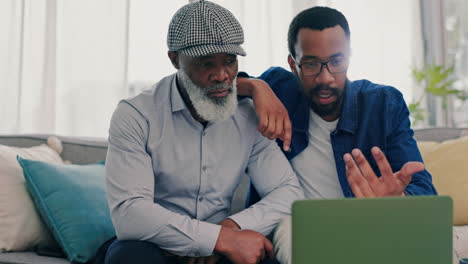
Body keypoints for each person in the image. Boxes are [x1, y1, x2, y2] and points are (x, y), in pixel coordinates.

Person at [102, 1, 303, 264]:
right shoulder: (136, 115)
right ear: (174, 59)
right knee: (127, 258)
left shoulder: (247, 116)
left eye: (230, 61)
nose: (221, 75)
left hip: (223, 251)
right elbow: (130, 214)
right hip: (157, 247)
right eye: (206, 63)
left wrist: (230, 230)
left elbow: (288, 192)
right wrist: (217, 239)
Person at [236, 6, 437, 263]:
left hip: (368, 228)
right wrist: (255, 86)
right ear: (292, 64)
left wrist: (397, 199)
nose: (325, 77)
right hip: (299, 226)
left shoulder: (384, 103)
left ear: (349, 57)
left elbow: (425, 192)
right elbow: (215, 82)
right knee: (290, 227)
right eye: (310, 64)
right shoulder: (278, 88)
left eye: (337, 62)